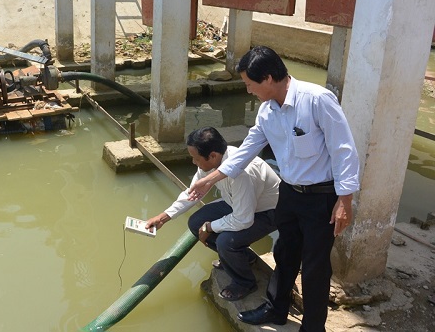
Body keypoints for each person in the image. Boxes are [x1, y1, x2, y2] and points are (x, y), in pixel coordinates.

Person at [187, 46, 360, 332]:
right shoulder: (267, 112)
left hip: (322, 198)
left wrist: (345, 199)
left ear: (267, 78)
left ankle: (313, 328)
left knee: (315, 267)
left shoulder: (316, 100)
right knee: (284, 252)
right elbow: (246, 150)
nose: (248, 90)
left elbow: (344, 150)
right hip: (289, 194)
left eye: (249, 84)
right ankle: (277, 309)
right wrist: (210, 178)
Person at [145, 126, 280, 301]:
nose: (194, 163)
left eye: (196, 158)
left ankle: (245, 282)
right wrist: (163, 217)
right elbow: (192, 193)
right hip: (238, 204)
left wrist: (210, 227)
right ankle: (243, 258)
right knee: (195, 222)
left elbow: (243, 220)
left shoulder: (242, 174)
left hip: (268, 212)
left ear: (213, 156)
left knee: (225, 241)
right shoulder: (211, 164)